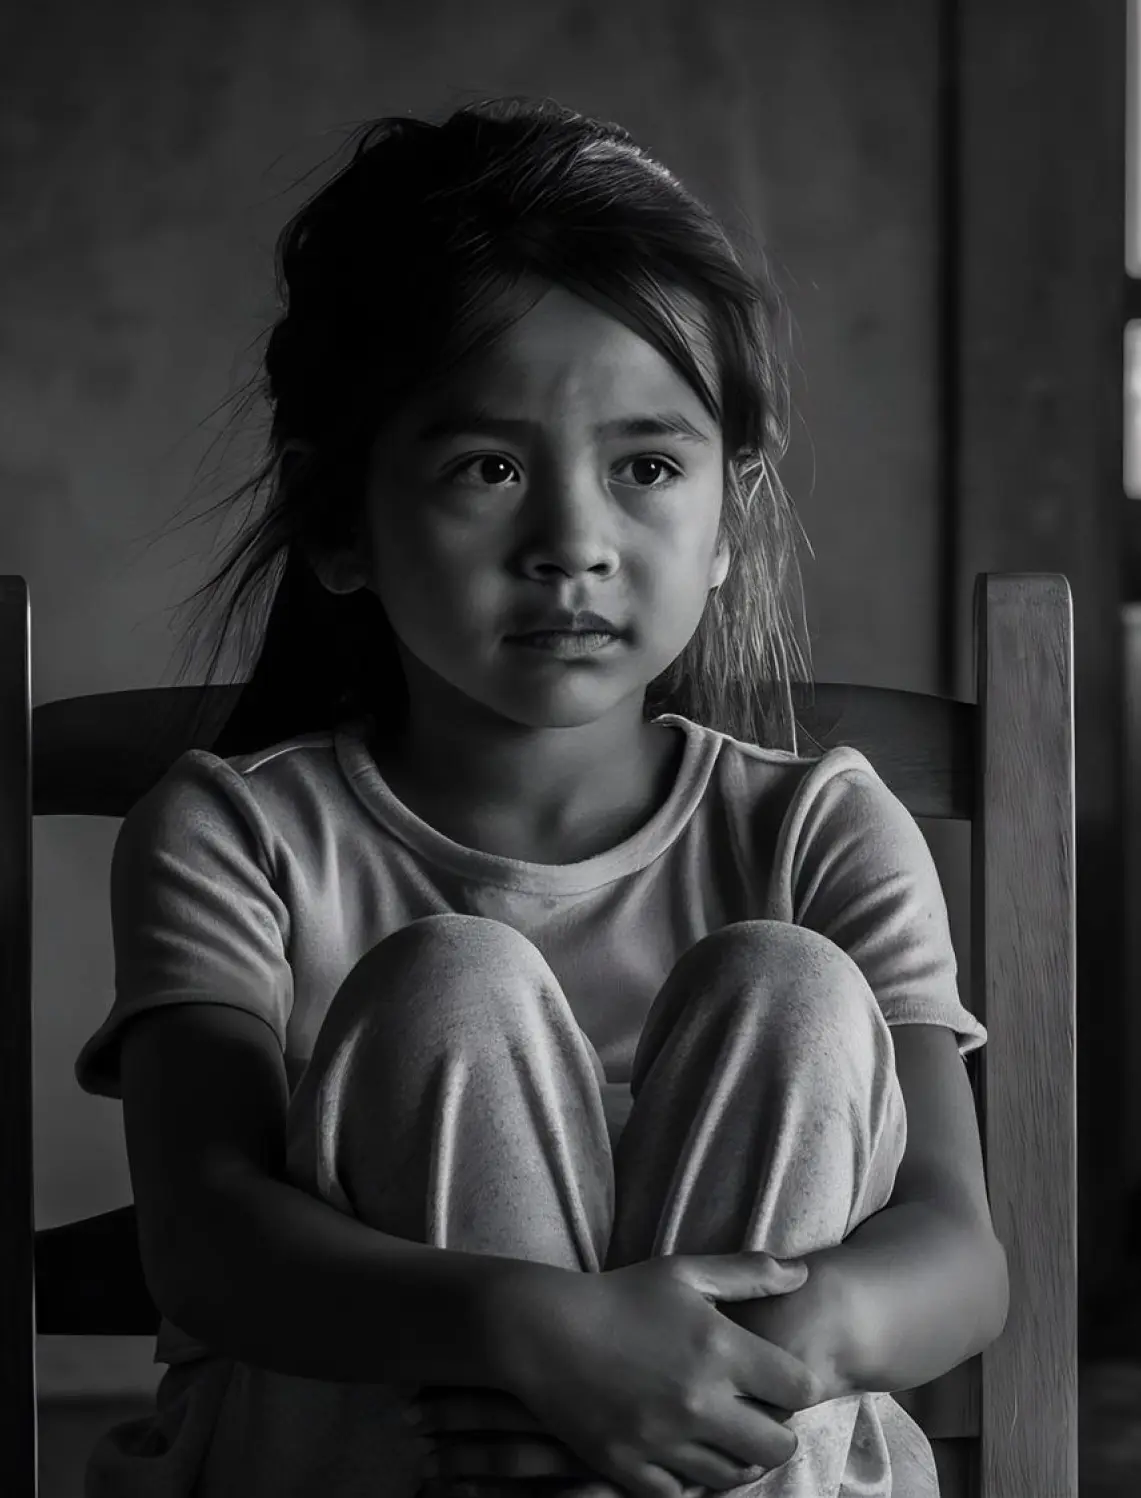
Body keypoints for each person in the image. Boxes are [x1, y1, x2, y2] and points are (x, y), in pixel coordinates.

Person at [73, 98, 1005, 1498]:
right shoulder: (237, 836)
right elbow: (204, 1242)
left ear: (731, 522)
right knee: (453, 984)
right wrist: (528, 1333)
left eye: (645, 467)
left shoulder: (818, 830)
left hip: (744, 1456)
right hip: (354, 1464)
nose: (574, 543)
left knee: (792, 988)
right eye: (487, 468)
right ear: (339, 523)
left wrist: (721, 1366)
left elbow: (955, 1251)